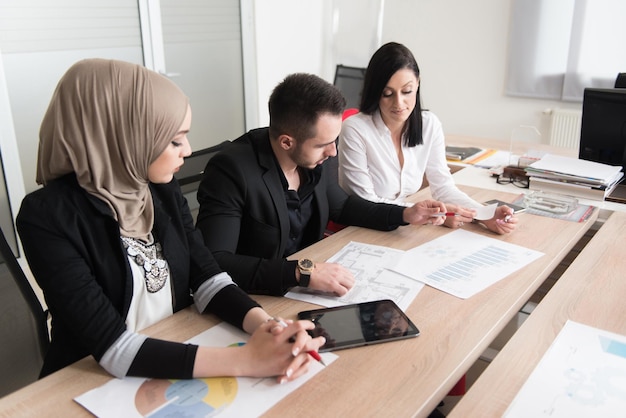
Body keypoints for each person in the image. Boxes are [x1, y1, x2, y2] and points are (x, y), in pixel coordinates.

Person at [16, 59, 324, 383]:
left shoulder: (157, 188)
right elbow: (112, 348)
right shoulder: (46, 217)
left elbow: (206, 275)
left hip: (174, 346)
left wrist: (268, 327)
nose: (187, 151)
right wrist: (248, 359)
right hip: (91, 380)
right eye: (175, 140)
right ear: (124, 137)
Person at [196, 73, 447, 297]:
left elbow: (342, 206)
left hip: (309, 289)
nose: (333, 151)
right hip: (255, 296)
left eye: (335, 140)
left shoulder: (316, 157)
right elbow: (216, 261)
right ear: (286, 142)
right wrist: (301, 273)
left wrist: (405, 213)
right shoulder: (231, 170)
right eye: (323, 144)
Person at [338, 42, 517, 235]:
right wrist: (432, 214)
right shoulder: (355, 129)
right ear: (375, 92)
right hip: (358, 229)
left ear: (418, 84)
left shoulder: (429, 124)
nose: (399, 103)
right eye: (387, 94)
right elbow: (366, 201)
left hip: (400, 230)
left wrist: (483, 214)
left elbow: (443, 187)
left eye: (407, 91)